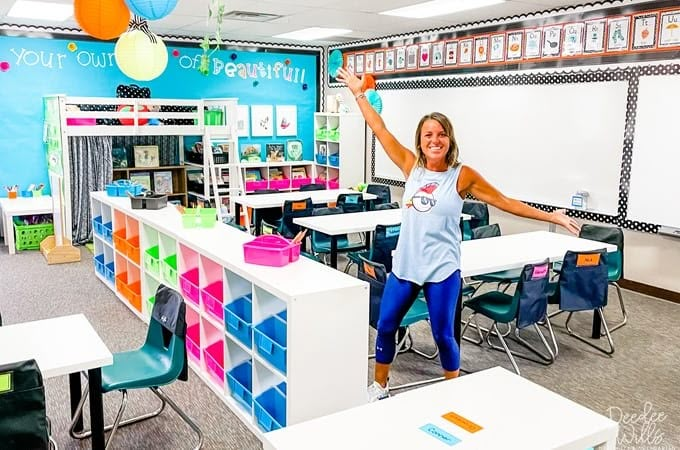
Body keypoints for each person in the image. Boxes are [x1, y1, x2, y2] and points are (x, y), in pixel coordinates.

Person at [335, 67, 581, 402]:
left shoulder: (462, 176)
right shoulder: (411, 167)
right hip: (406, 265)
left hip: (442, 269)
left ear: (449, 139)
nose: (434, 140)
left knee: (442, 334)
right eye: (427, 135)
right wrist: (359, 94)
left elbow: (504, 201)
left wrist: (549, 215)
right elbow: (379, 128)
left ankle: (453, 391)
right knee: (387, 324)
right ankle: (380, 387)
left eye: (440, 134)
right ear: (420, 141)